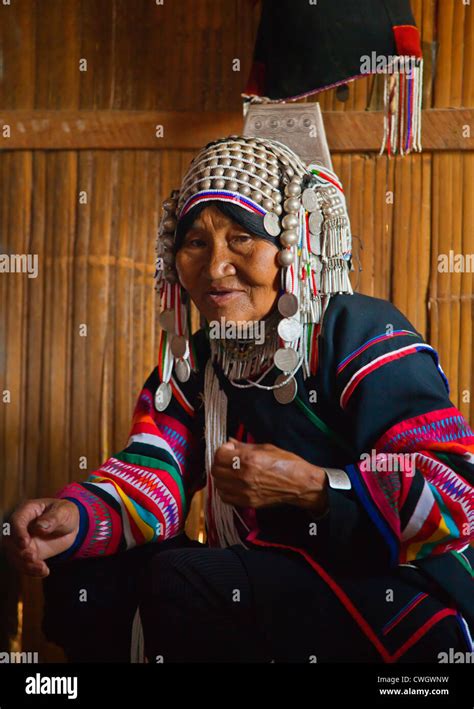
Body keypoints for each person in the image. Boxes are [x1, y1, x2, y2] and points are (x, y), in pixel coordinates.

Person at [6, 135, 473, 663]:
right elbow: (153, 470)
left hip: (387, 582)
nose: (215, 267)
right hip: (268, 573)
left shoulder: (361, 331)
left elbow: (456, 495)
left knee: (182, 581)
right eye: (196, 243)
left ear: (291, 248)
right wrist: (76, 514)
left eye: (241, 239)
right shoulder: (200, 359)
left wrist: (315, 487)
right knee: (82, 574)